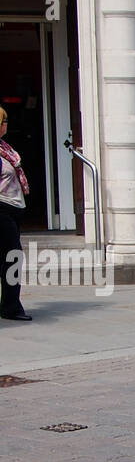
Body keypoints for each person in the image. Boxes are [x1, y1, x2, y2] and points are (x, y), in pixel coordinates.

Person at [0, 106, 31, 322]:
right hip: (1, 209)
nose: (6, 125)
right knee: (13, 257)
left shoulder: (4, 148)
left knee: (8, 258)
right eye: (4, 121)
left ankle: (9, 305)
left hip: (12, 210)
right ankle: (11, 307)